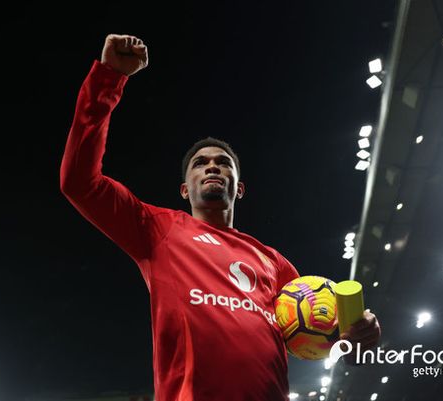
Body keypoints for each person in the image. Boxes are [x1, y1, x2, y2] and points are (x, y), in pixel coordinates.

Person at [60, 34, 380, 401]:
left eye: (223, 163)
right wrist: (108, 78)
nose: (212, 166)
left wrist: (359, 336)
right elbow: (79, 182)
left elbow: (322, 339)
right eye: (200, 163)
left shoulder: (274, 263)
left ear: (239, 188)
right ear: (185, 189)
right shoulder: (157, 229)